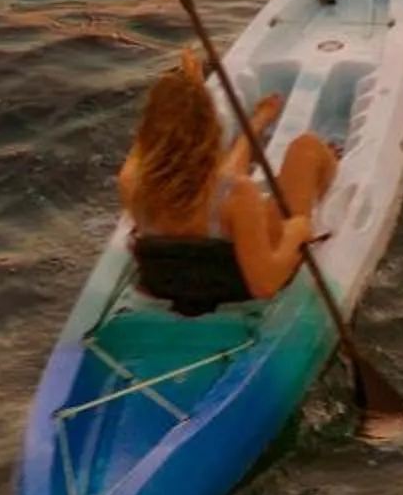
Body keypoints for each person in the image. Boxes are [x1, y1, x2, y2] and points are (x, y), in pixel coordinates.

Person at [120, 49, 339, 314]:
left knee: (221, 186)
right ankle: (330, 168)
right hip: (240, 283)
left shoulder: (131, 183)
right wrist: (297, 231)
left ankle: (256, 124)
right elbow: (265, 286)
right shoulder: (238, 194)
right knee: (307, 150)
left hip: (173, 282)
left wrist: (193, 88)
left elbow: (152, 146)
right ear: (210, 130)